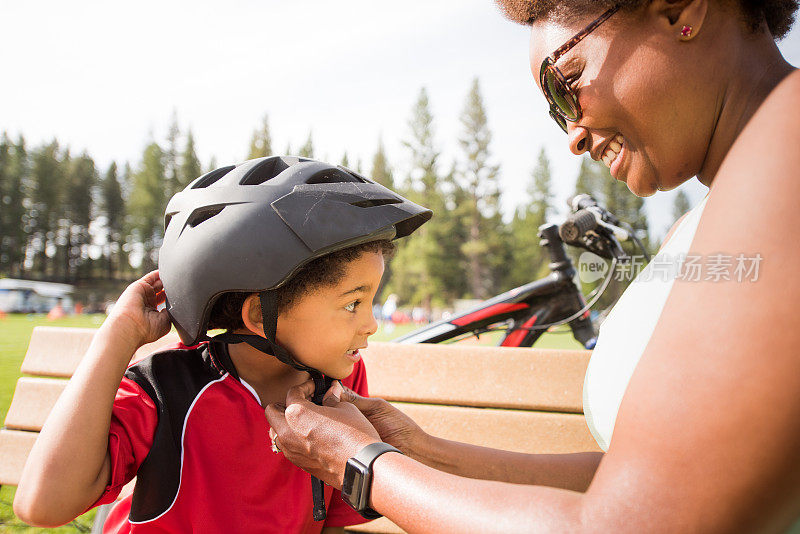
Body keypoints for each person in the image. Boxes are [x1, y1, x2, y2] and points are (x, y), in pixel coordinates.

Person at [265, 1, 800, 531]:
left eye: (566, 83)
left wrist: (364, 466)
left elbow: (634, 523)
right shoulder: (710, 214)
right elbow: (644, 478)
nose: (573, 136)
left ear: (679, 9)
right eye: (554, 109)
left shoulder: (786, 150)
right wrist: (419, 452)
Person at [12, 156, 431, 532]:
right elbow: (42, 505)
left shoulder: (339, 380)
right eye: (353, 303)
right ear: (257, 316)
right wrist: (117, 336)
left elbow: (333, 519)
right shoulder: (164, 389)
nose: (372, 325)